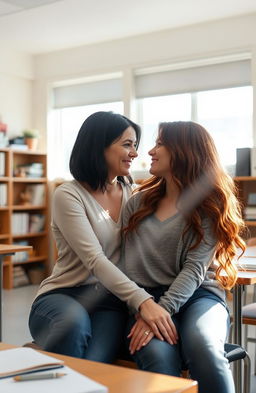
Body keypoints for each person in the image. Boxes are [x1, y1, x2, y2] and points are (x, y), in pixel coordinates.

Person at [28, 111, 177, 362]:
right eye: (127, 145)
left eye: (135, 145)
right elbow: (95, 260)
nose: (135, 153)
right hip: (65, 295)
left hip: (110, 302)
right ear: (99, 146)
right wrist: (144, 302)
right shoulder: (69, 195)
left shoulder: (133, 192)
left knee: (96, 362)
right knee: (73, 327)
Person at [121, 121, 246, 393]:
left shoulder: (210, 204)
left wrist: (163, 309)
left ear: (184, 151)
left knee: (203, 345)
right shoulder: (136, 203)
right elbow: (126, 267)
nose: (150, 151)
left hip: (199, 295)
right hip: (146, 299)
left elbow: (194, 270)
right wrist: (144, 308)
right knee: (157, 356)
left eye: (160, 143)